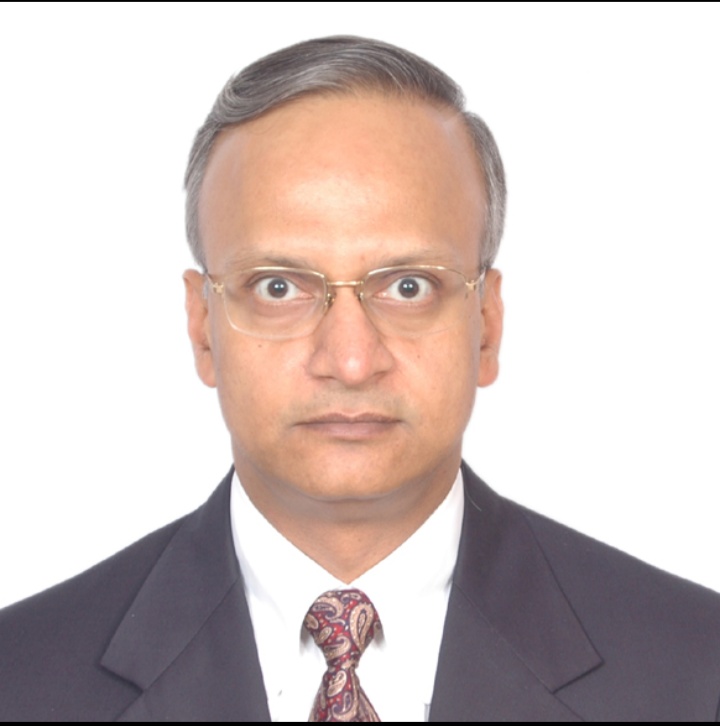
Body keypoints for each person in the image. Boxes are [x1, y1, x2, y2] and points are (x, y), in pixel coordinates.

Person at [1, 35, 719, 723]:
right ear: (202, 327)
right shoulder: (20, 678)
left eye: (408, 286)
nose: (349, 361)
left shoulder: (695, 670)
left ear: (487, 324)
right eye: (278, 287)